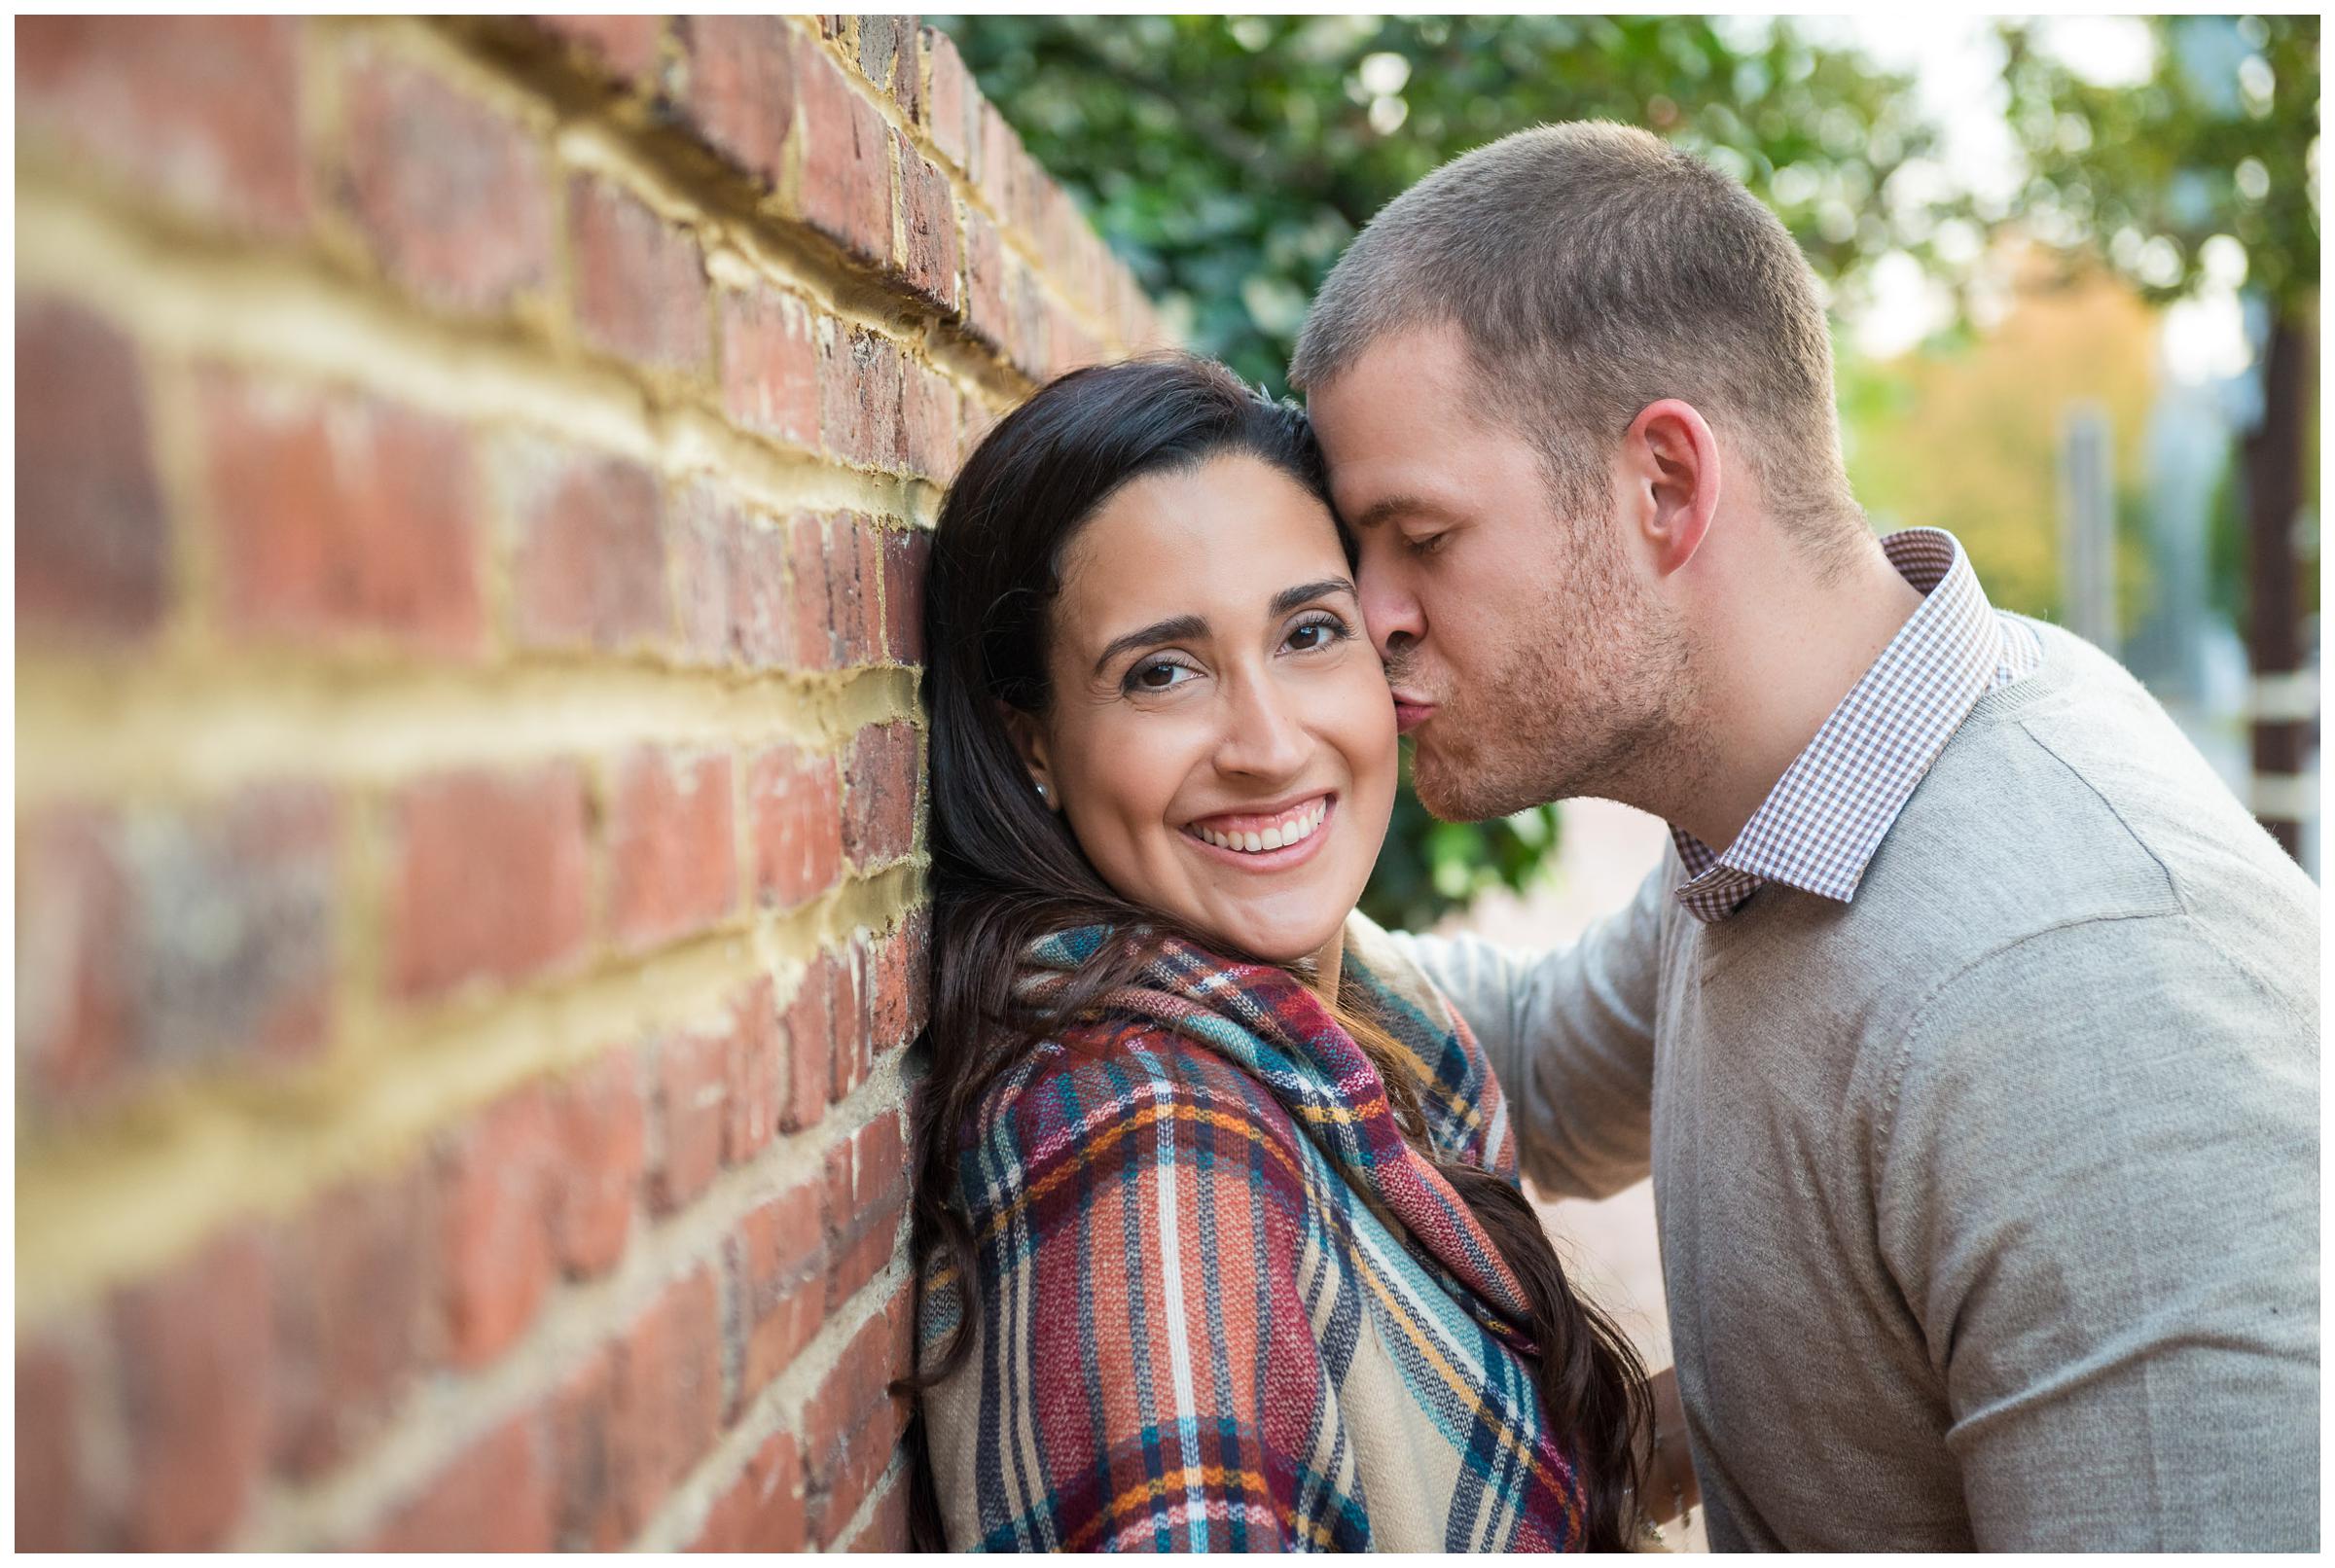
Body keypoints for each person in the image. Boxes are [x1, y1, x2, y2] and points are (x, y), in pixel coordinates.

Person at [1288, 121, 2321, 1551]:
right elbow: (1525, 1062)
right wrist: (1188, 852)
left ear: (1663, 485)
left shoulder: (2079, 991)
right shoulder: (1787, 802)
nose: (1373, 613)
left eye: (1423, 537)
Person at [899, 354, 1680, 1550]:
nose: (1267, 743)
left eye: (1310, 632)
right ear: (1035, 747)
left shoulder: (1358, 1012)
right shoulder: (1150, 1149)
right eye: (1161, 672)